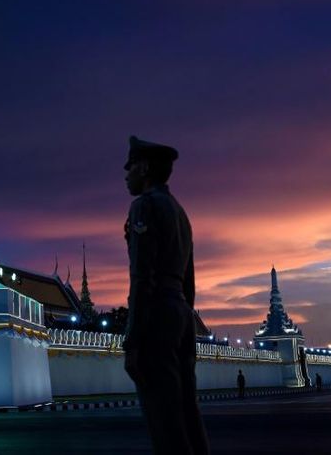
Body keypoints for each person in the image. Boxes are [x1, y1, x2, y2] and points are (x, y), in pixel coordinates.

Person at [123, 136, 210, 455]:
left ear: (144, 168)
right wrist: (186, 316)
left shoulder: (144, 206)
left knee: (164, 418)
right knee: (188, 411)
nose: (126, 174)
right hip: (182, 313)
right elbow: (190, 279)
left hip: (156, 312)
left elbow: (141, 277)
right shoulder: (179, 211)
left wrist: (133, 339)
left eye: (130, 166)